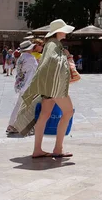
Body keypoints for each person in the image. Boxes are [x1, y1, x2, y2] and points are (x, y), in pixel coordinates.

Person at [13, 19, 75, 158]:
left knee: (44, 115)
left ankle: (37, 149)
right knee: (68, 112)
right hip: (55, 86)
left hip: (48, 86)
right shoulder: (54, 44)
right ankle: (58, 148)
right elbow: (53, 62)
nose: (66, 32)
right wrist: (68, 57)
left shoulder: (50, 44)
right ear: (59, 31)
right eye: (64, 30)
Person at [6, 41, 39, 135]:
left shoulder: (21, 57)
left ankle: (14, 125)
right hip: (28, 85)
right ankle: (15, 125)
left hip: (21, 84)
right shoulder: (30, 58)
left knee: (20, 105)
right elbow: (34, 72)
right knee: (25, 106)